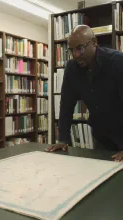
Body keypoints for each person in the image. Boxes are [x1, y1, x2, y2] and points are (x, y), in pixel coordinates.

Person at [45, 24, 123, 162]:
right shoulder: (72, 68)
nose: (75, 54)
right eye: (71, 50)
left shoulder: (117, 61)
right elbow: (66, 105)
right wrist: (63, 139)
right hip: (101, 137)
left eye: (80, 48)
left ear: (94, 43)